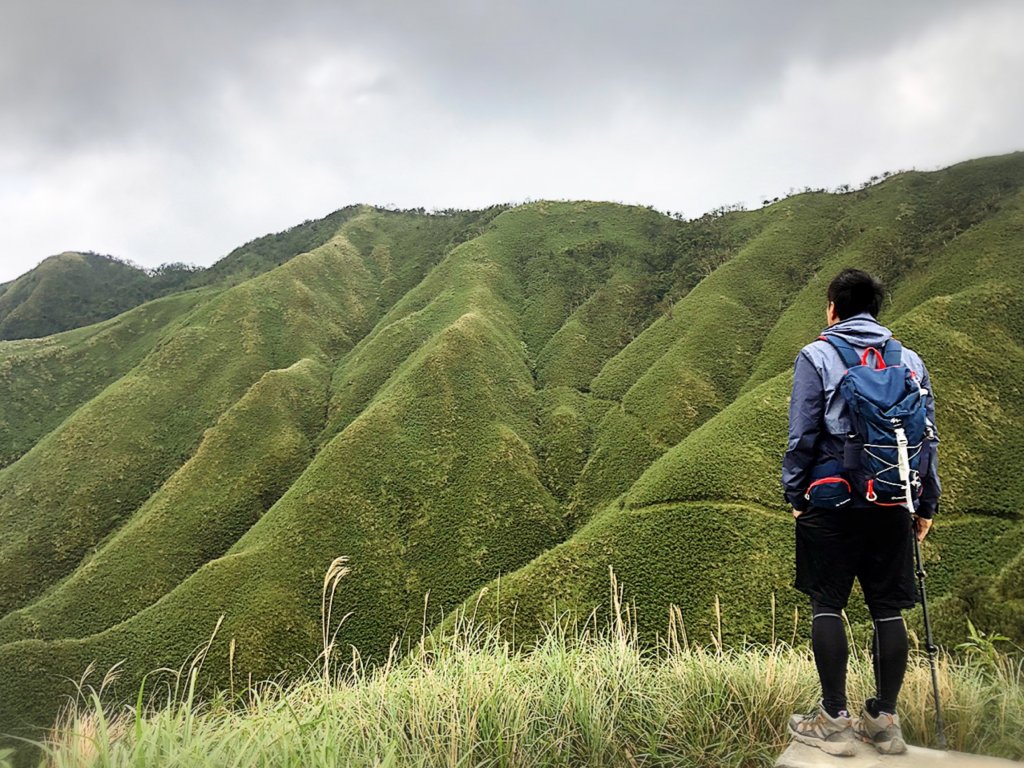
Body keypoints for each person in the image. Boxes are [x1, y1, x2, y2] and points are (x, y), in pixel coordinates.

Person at [782, 268, 940, 756]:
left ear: (832, 307)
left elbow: (802, 433)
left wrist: (795, 494)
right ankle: (884, 722)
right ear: (876, 309)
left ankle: (834, 720)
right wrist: (925, 503)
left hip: (831, 501)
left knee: (827, 604)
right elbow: (927, 438)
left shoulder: (818, 355)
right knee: (886, 610)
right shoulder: (909, 360)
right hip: (894, 501)